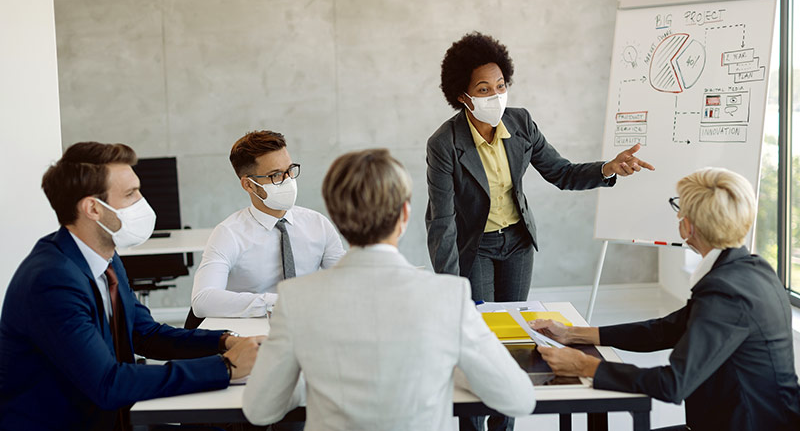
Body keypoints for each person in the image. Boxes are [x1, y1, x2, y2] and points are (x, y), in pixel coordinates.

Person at [426, 31, 654, 431]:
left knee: (516, 346)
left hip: (516, 244)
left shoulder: (521, 122)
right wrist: (449, 288)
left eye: (501, 85)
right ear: (463, 95)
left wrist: (607, 168)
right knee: (479, 343)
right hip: (475, 248)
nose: (496, 95)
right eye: (484, 88)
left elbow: (561, 172)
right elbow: (441, 221)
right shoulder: (444, 144)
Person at [241, 149, 535, 430]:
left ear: (337, 218)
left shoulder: (295, 299)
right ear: (405, 214)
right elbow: (518, 399)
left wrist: (317, 377)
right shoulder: (449, 295)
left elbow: (261, 410)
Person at [0, 142, 263, 431]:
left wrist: (225, 341)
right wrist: (225, 367)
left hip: (112, 416)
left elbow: (146, 334)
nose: (143, 202)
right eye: (130, 194)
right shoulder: (52, 280)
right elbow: (108, 382)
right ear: (93, 208)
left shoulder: (104, 258)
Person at [532, 167, 800, 431]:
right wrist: (573, 334)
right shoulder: (750, 269)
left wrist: (586, 365)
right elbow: (666, 330)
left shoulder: (726, 292)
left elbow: (672, 384)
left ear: (687, 226)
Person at [189, 130, 345, 325]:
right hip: (250, 337)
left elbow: (346, 281)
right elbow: (202, 301)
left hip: (309, 328)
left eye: (289, 170)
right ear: (248, 185)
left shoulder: (318, 224)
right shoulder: (229, 233)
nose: (288, 179)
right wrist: (277, 303)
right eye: (275, 175)